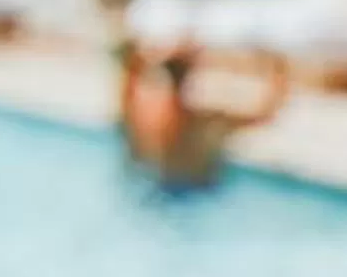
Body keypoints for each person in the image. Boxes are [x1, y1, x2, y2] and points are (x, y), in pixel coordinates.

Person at [117, 40, 288, 193]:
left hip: (184, 192)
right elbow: (265, 113)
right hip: (190, 193)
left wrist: (275, 65)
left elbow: (264, 112)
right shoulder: (204, 124)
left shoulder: (144, 119)